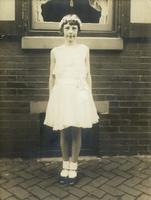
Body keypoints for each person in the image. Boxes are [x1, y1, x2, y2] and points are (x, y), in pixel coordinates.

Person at [44, 14, 99, 185]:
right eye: (67, 28)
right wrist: (51, 97)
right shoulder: (55, 52)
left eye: (74, 28)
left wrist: (88, 94)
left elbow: (88, 74)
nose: (70, 32)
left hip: (78, 93)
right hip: (61, 93)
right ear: (62, 31)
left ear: (78, 31)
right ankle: (65, 165)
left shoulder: (84, 49)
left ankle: (73, 166)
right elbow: (51, 77)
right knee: (64, 130)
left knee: (76, 130)